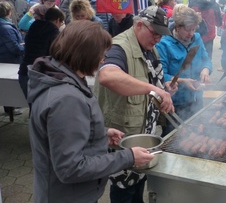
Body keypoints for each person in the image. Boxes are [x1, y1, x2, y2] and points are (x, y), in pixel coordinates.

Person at [28, 21, 156, 203]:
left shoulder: (59, 77)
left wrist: (100, 134)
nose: (103, 60)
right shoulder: (66, 99)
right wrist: (128, 157)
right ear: (85, 55)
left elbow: (59, 136)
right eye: (101, 55)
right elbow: (71, 168)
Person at [95, 6, 176, 202]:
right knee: (124, 192)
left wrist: (165, 87)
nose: (158, 39)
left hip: (144, 135)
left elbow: (148, 81)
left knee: (138, 190)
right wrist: (155, 89)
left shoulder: (149, 47)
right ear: (139, 25)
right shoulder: (119, 47)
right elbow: (107, 75)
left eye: (161, 35)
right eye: (155, 33)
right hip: (123, 139)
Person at [156, 6, 212, 134]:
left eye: (194, 29)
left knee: (197, 134)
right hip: (175, 103)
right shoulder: (164, 44)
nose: (191, 33)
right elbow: (161, 74)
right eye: (188, 29)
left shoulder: (197, 38)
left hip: (196, 98)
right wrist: (182, 81)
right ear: (177, 26)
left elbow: (206, 58)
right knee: (175, 137)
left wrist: (205, 70)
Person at [18, 8, 65, 104]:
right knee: (42, 108)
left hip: (24, 71)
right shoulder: (54, 32)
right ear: (57, 20)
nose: (60, 25)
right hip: (41, 74)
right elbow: (58, 55)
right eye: (61, 23)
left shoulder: (34, 26)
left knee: (33, 107)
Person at [0, 1, 25, 116]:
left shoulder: (4, 26)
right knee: (9, 85)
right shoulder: (6, 28)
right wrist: (25, 49)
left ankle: (9, 107)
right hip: (9, 59)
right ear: (9, 13)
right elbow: (13, 47)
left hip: (4, 58)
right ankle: (10, 107)